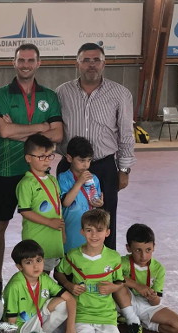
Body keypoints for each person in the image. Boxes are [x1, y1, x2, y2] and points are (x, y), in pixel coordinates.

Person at [0, 44, 63, 296]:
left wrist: (21, 131)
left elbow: (58, 134)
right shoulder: (0, 94)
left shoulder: (50, 96)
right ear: (14, 62)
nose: (25, 64)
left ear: (38, 63)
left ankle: (41, 280)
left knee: (42, 224)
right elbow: (4, 131)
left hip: (40, 172)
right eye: (21, 60)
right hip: (7, 171)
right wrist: (41, 127)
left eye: (30, 60)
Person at [56, 43, 135, 250]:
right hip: (69, 167)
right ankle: (67, 272)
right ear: (77, 63)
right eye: (86, 60)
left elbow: (126, 134)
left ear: (104, 63)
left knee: (104, 221)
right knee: (67, 219)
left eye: (96, 60)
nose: (91, 65)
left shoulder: (120, 93)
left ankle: (105, 271)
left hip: (104, 167)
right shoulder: (62, 93)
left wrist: (124, 169)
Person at [55, 209, 125, 333]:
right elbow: (58, 273)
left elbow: (120, 282)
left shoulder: (114, 257)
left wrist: (113, 287)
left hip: (106, 314)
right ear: (82, 232)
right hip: (82, 313)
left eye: (99, 230)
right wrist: (69, 285)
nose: (94, 235)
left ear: (107, 232)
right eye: (89, 230)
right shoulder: (73, 256)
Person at [116, 224, 178, 333]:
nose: (144, 256)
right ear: (128, 248)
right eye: (138, 250)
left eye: (148, 250)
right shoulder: (122, 262)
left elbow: (156, 302)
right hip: (123, 302)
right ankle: (132, 321)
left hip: (145, 305)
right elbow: (111, 276)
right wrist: (137, 286)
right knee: (118, 284)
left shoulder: (159, 269)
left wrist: (152, 298)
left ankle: (143, 323)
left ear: (154, 247)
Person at [3, 240, 77, 333]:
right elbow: (11, 319)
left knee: (64, 302)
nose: (36, 266)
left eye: (39, 260)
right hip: (22, 326)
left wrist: (70, 328)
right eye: (29, 262)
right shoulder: (15, 286)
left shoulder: (44, 278)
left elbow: (70, 299)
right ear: (19, 266)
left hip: (37, 317)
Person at [16, 134, 64, 273]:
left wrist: (63, 233)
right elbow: (25, 211)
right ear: (28, 158)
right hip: (36, 242)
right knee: (35, 278)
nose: (46, 160)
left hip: (54, 241)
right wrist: (49, 222)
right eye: (41, 156)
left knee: (48, 280)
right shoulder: (26, 183)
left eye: (49, 156)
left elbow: (58, 209)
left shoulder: (53, 180)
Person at [58, 136, 104, 252]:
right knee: (70, 260)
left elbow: (95, 202)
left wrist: (99, 204)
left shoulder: (94, 179)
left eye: (89, 160)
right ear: (69, 158)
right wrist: (79, 182)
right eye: (81, 160)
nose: (86, 165)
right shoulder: (63, 178)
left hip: (89, 229)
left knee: (87, 260)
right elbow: (66, 202)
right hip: (71, 227)